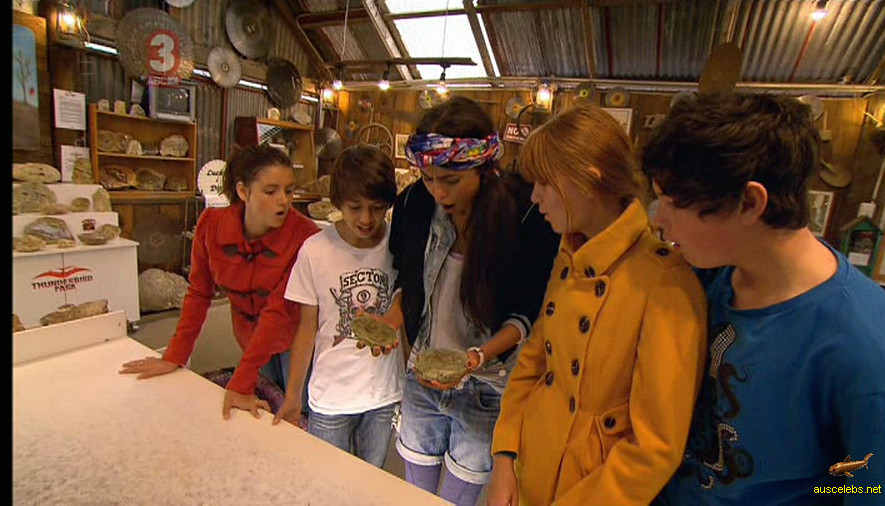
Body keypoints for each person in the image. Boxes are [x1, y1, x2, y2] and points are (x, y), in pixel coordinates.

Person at [641, 93, 885, 505]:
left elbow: (869, 487)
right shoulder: (706, 277)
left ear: (750, 202)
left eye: (672, 202)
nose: (659, 219)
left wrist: (810, 496)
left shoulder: (864, 344)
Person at [486, 103, 708, 506]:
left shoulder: (666, 283)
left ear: (587, 179)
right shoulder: (571, 253)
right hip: (529, 469)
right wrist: (505, 456)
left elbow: (655, 448)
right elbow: (533, 363)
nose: (535, 197)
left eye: (544, 183)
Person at [384, 96, 560, 505]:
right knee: (415, 497)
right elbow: (407, 278)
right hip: (422, 377)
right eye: (429, 178)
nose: (438, 191)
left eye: (451, 180)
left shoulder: (524, 216)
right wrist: (392, 317)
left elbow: (526, 314)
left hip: (486, 385)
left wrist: (475, 359)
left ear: (483, 167)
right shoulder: (413, 204)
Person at [120, 144, 321, 420]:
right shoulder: (211, 225)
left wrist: (241, 383)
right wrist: (175, 356)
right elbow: (198, 293)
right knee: (265, 399)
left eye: (289, 190)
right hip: (249, 334)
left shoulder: (304, 235)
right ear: (243, 192)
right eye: (271, 191)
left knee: (301, 407)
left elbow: (278, 312)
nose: (283, 201)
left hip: (295, 335)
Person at [273, 145, 404, 469]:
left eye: (377, 208)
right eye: (355, 207)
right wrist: (293, 396)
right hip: (331, 396)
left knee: (370, 479)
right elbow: (306, 328)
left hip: (382, 394)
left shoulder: (399, 244)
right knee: (328, 480)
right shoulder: (315, 251)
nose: (366, 219)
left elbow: (407, 299)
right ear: (338, 202)